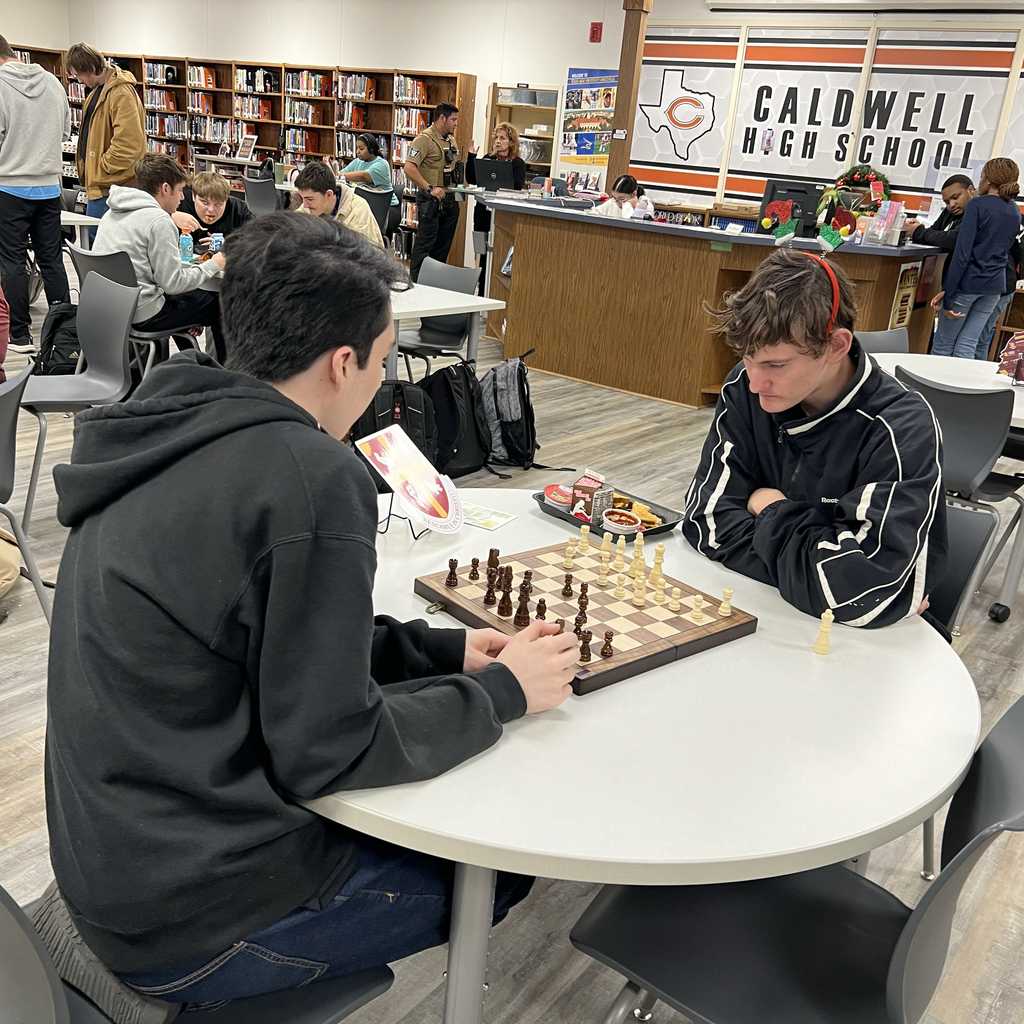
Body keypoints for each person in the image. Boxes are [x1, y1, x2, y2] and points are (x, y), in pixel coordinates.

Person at [43, 211, 579, 1012]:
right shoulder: (310, 474)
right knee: (505, 864)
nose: (379, 380)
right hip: (191, 918)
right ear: (342, 363)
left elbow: (262, 634)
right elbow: (326, 751)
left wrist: (439, 653)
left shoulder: (169, 419)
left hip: (112, 861)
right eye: (383, 359)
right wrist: (503, 693)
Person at [682, 249, 946, 630]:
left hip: (861, 648)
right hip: (760, 612)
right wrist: (812, 569)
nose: (755, 382)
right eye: (747, 358)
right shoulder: (743, 386)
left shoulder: (902, 427)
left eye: (776, 364)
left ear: (836, 346)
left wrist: (769, 507)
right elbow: (706, 522)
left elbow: (861, 592)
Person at [92, 154, 227, 360]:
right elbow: (173, 283)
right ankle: (226, 372)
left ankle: (194, 362)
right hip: (143, 313)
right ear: (165, 188)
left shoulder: (112, 212)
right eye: (180, 190)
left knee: (192, 301)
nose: (182, 198)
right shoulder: (159, 221)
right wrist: (213, 264)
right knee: (221, 304)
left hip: (112, 309)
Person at [0, 35, 72, 354]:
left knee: (12, 261)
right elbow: (66, 132)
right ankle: (64, 334)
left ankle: (19, 336)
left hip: (8, 186)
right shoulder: (53, 83)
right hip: (49, 187)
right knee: (51, 259)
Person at [931, 157, 1021, 360]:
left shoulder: (977, 205)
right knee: (968, 344)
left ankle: (936, 382)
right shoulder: (1014, 210)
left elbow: (962, 254)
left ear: (988, 179)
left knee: (943, 345)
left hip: (969, 283)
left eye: (981, 176)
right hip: (995, 287)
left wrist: (949, 294)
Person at [65, 43, 146, 233]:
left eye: (78, 75)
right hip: (102, 185)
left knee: (99, 241)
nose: (78, 81)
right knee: (93, 239)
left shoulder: (120, 93)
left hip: (113, 186)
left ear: (92, 68)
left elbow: (129, 143)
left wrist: (102, 167)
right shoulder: (97, 91)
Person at [465, 122, 527, 287]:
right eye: (496, 138)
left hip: (504, 213)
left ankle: (494, 288)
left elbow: (517, 185)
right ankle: (482, 288)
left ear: (511, 142)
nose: (498, 141)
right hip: (483, 212)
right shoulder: (488, 159)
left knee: (500, 251)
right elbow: (472, 179)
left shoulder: (518, 163)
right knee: (483, 253)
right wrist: (471, 157)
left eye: (503, 138)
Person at [405, 102, 460, 281]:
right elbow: (409, 168)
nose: (456, 123)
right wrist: (429, 188)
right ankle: (416, 284)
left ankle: (435, 284)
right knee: (425, 244)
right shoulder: (424, 140)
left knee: (443, 248)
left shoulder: (451, 140)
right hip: (431, 200)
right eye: (453, 119)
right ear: (442, 118)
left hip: (450, 200)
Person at [294, 159, 384, 249]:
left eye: (309, 199)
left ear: (329, 194)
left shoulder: (358, 209)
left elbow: (362, 252)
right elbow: (292, 233)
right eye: (303, 198)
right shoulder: (309, 208)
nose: (305, 205)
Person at [903, 174, 974, 285]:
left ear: (970, 190)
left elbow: (953, 240)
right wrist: (918, 229)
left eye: (955, 197)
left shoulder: (976, 212)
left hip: (970, 281)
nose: (952, 205)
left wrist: (918, 232)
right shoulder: (950, 212)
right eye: (947, 202)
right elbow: (934, 231)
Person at [340, 133, 400, 240]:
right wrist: (336, 175)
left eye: (361, 148)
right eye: (357, 148)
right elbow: (341, 175)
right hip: (364, 207)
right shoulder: (357, 162)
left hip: (386, 209)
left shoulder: (382, 164)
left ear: (371, 149)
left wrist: (339, 175)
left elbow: (364, 176)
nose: (358, 151)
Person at [173, 170, 253, 244]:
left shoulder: (238, 209)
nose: (211, 210)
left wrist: (227, 245)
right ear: (194, 196)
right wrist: (171, 216)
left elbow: (258, 237)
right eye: (205, 202)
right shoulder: (179, 202)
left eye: (218, 204)